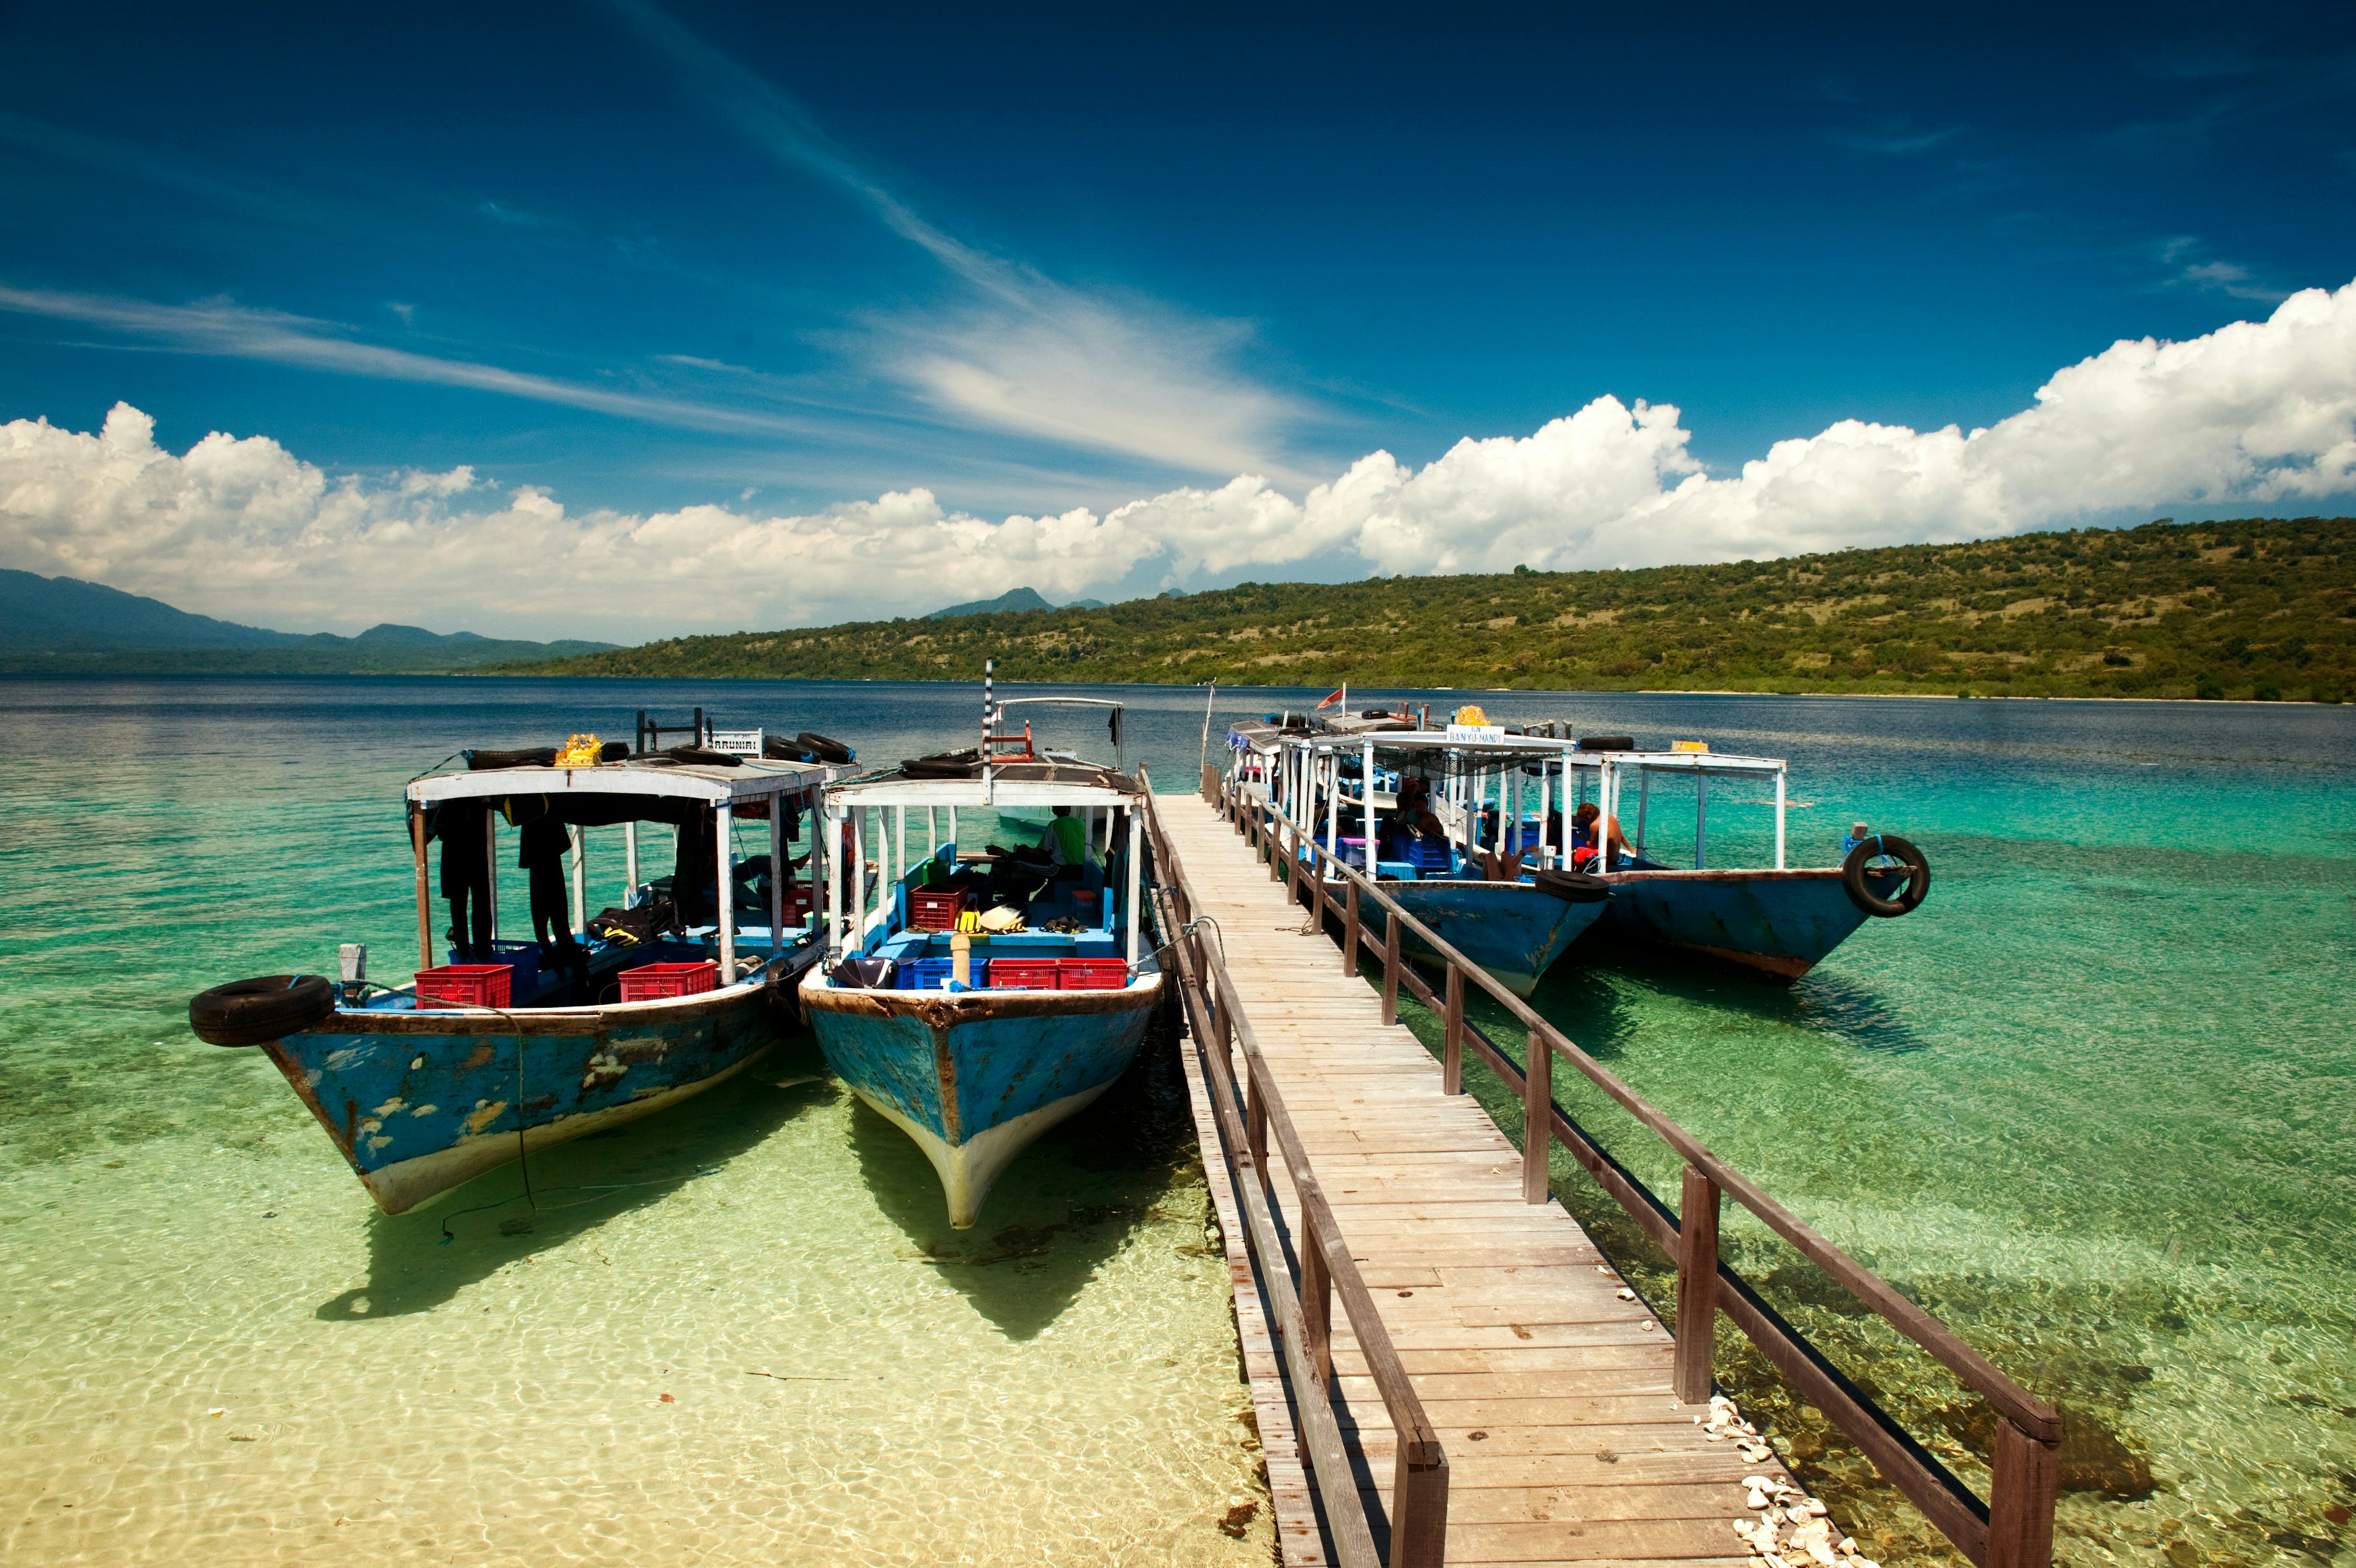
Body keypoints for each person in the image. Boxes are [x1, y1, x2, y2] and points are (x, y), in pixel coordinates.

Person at [433, 800, 493, 961]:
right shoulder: (480, 800)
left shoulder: (449, 802)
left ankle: (463, 954)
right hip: (476, 856)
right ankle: (482, 952)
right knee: (481, 903)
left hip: (455, 859)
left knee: (459, 907)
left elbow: (440, 830)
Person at [1571, 801, 1631, 869]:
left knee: (1580, 851)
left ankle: (1579, 873)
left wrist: (1584, 838)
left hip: (1607, 859)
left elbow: (1592, 847)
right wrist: (1631, 850)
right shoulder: (1610, 817)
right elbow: (1622, 837)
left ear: (1586, 817)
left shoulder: (1594, 825)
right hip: (1616, 858)